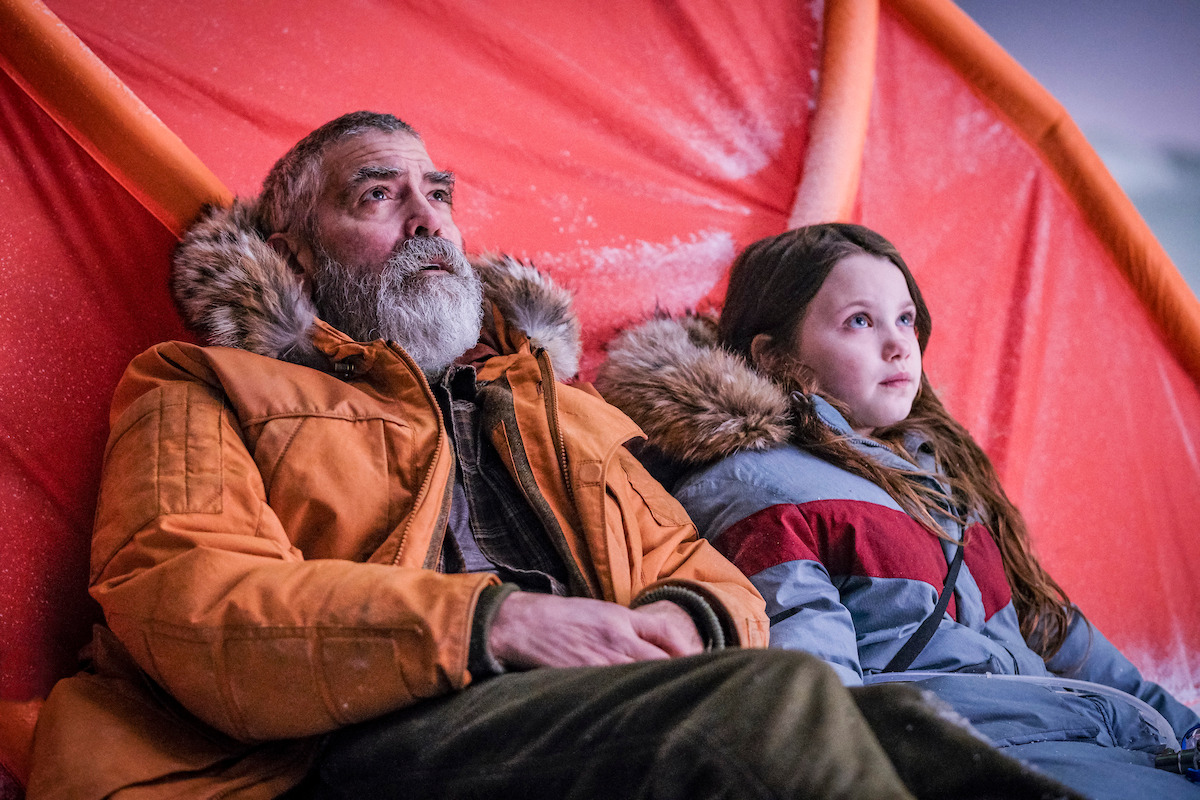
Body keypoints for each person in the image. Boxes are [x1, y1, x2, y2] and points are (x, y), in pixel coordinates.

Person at [27, 116, 1080, 800]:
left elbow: (704, 571)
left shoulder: (552, 407)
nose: (430, 220)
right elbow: (186, 596)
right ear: (296, 251)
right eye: (378, 195)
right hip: (331, 747)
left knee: (902, 724)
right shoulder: (200, 383)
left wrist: (690, 618)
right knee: (771, 708)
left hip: (567, 724)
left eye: (437, 192)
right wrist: (497, 623)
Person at [598, 222, 1200, 800]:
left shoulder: (941, 481)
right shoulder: (756, 486)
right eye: (860, 321)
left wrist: (1189, 730)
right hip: (971, 759)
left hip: (1092, 737)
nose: (897, 344)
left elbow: (1058, 635)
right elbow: (816, 703)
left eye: (906, 319)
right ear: (777, 358)